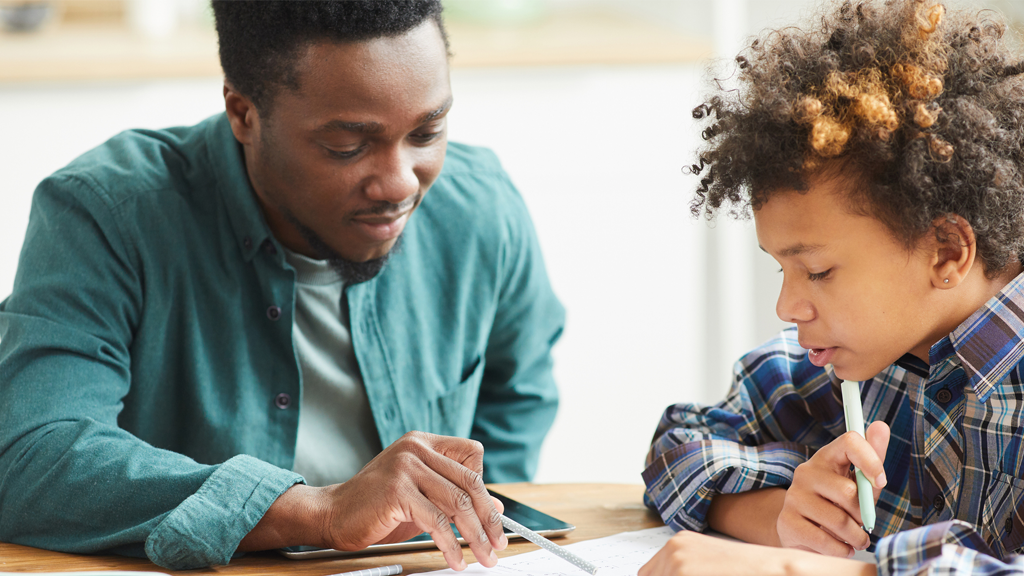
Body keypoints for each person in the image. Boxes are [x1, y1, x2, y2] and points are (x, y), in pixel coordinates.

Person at [0, 0, 565, 571]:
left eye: (428, 131)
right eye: (348, 146)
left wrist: (478, 532)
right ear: (243, 114)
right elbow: (29, 455)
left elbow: (519, 390)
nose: (399, 183)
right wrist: (319, 511)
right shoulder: (108, 215)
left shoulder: (480, 208)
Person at [638, 0, 1024, 574]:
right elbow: (681, 440)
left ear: (946, 251)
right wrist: (780, 517)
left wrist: (818, 569)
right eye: (781, 269)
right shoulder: (865, 359)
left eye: (817, 271)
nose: (787, 306)